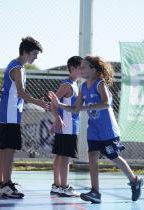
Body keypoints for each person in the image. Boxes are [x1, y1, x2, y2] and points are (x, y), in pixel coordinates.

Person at [49, 55, 144, 203]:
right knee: (92, 157)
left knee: (114, 157)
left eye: (83, 67)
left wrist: (88, 107)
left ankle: (135, 180)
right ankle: (95, 192)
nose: (81, 69)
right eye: (80, 67)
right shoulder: (82, 87)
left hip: (107, 130)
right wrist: (59, 104)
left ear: (92, 70)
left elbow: (106, 103)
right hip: (93, 130)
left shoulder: (100, 84)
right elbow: (75, 109)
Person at [0, 37, 48, 198]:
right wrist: (39, 103)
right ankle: (6, 184)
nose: (36, 57)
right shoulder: (17, 68)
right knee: (9, 150)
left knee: (4, 149)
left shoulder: (15, 65)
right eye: (34, 54)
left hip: (7, 114)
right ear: (25, 52)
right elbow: (22, 93)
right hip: (10, 115)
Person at [49, 56, 82, 197]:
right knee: (65, 157)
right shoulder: (67, 85)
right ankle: (63, 186)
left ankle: (57, 185)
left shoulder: (75, 85)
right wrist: (57, 119)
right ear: (73, 69)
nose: (84, 70)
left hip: (69, 126)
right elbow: (53, 103)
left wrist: (57, 120)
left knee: (60, 156)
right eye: (81, 67)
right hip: (67, 127)